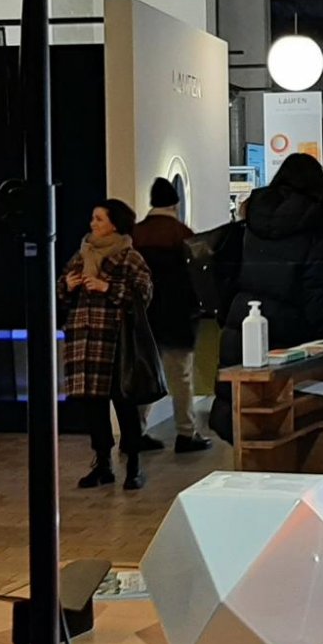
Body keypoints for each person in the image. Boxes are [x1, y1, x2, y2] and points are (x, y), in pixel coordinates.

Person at [211, 154, 323, 441]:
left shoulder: (249, 225)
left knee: (246, 424)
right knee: (284, 431)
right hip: (290, 345)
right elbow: (320, 302)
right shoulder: (314, 231)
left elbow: (227, 279)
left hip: (240, 331)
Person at [59, 199, 156, 490]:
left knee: (124, 404)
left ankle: (134, 465)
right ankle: (103, 464)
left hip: (116, 343)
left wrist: (108, 287)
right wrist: (67, 286)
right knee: (93, 407)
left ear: (114, 224)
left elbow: (144, 294)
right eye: (93, 218)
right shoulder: (82, 254)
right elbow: (60, 290)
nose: (93, 224)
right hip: (84, 342)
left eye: (99, 219)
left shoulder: (129, 256)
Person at [132, 178, 211, 453]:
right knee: (181, 377)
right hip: (178, 317)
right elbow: (197, 277)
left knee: (145, 376)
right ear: (176, 204)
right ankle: (186, 433)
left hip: (144, 317)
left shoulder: (136, 234)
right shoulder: (183, 234)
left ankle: (136, 431)